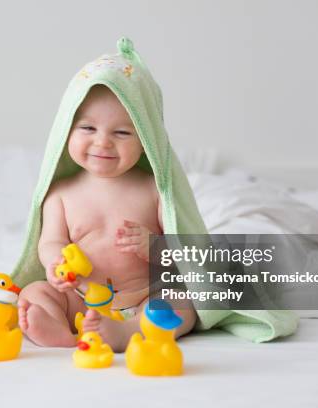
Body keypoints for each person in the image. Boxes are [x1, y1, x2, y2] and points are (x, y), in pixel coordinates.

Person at [16, 40, 199, 352]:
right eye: (88, 128)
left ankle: (128, 331)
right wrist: (54, 264)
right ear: (66, 131)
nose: (102, 143)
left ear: (146, 141)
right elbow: (49, 243)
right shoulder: (60, 195)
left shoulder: (153, 190)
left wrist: (153, 247)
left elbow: (184, 249)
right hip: (80, 298)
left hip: (143, 296)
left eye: (122, 133)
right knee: (34, 291)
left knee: (182, 303)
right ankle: (58, 328)